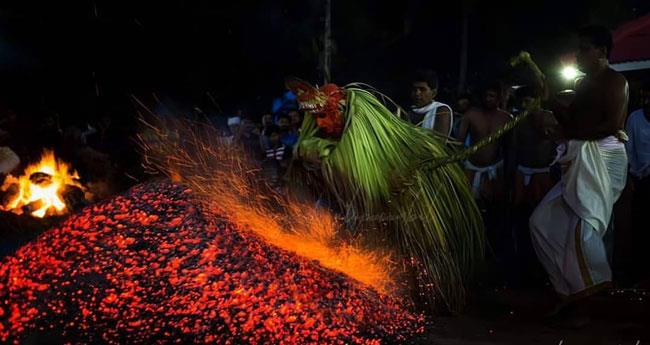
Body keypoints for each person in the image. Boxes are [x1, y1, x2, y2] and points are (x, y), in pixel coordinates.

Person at [529, 25, 629, 327]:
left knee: (583, 230)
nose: (580, 54)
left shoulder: (616, 81)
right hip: (579, 158)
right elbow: (571, 120)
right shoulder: (584, 84)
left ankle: (589, 303)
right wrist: (549, 103)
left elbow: (611, 125)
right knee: (541, 221)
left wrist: (568, 134)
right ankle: (568, 293)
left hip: (600, 159)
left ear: (601, 52)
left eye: (585, 48)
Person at [456, 82, 512, 202]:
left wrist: (508, 172)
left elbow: (510, 147)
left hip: (495, 166)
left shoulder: (506, 118)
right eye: (486, 95)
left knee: (493, 203)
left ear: (499, 98)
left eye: (492, 96)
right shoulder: (471, 115)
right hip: (471, 165)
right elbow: (459, 142)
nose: (488, 99)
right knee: (467, 202)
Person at [625, 81, 650, 283]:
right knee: (641, 225)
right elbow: (628, 149)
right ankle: (640, 270)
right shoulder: (635, 118)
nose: (646, 101)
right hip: (643, 179)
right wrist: (633, 175)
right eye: (644, 97)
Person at [409, 70, 454, 137]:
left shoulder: (441, 110)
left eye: (422, 89)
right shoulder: (407, 110)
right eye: (414, 89)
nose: (417, 93)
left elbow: (438, 143)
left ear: (433, 93)